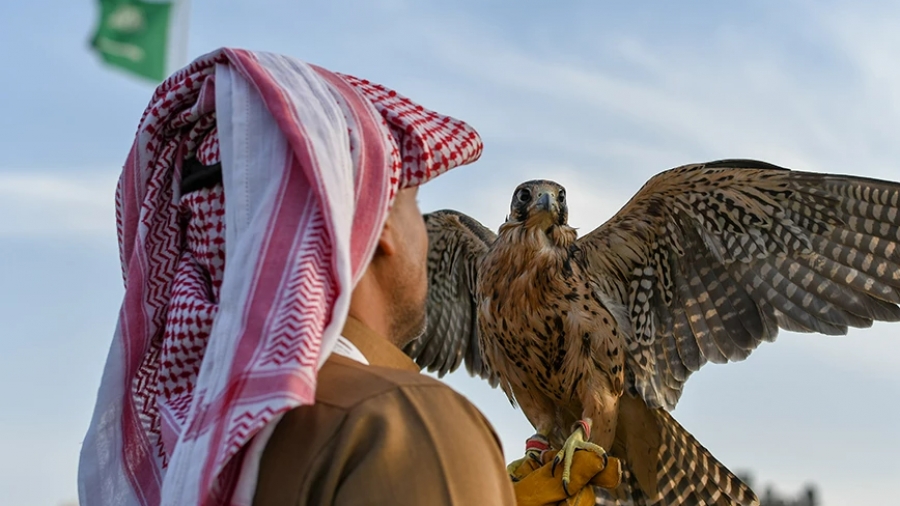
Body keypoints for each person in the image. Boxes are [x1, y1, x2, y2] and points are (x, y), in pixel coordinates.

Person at [78, 48, 618, 506]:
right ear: (378, 225)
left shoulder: (177, 440)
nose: (426, 234)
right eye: (414, 205)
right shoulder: (403, 427)